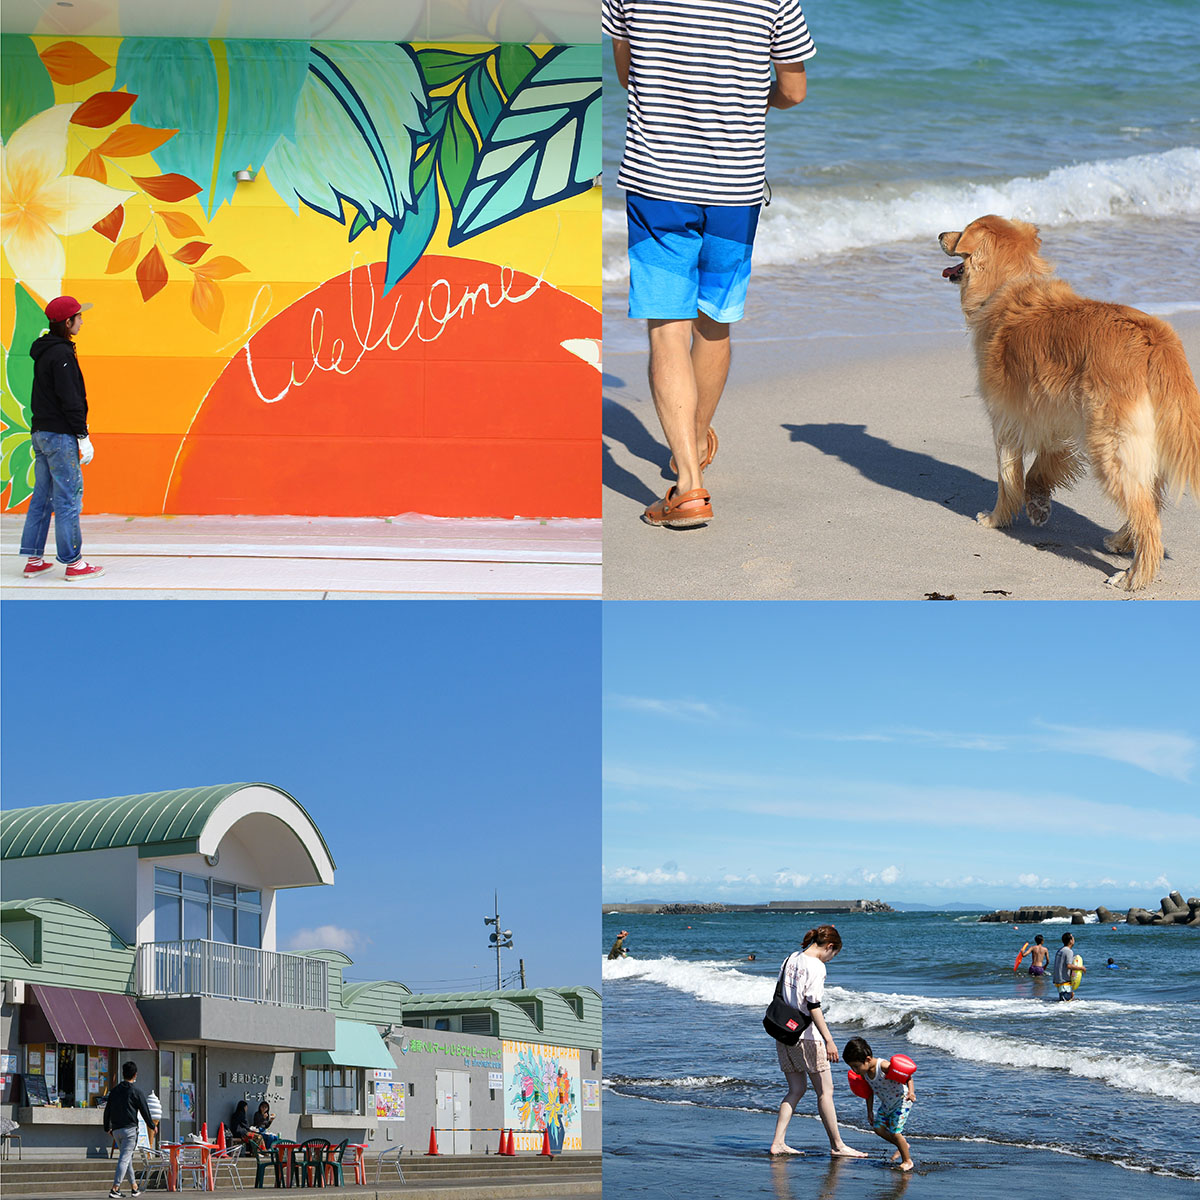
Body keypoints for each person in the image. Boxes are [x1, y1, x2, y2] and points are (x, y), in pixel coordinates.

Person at [603, 0, 815, 528]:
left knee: (668, 330)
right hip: (734, 187)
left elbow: (628, 73)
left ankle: (690, 488)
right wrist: (746, 100)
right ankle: (692, 442)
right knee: (714, 324)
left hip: (658, 183)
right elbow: (793, 90)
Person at [19, 295, 104, 580]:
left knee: (42, 498)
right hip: (59, 436)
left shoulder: (44, 351)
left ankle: (33, 559)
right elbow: (71, 399)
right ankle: (74, 563)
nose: (82, 320)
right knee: (68, 499)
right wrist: (83, 435)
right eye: (79, 317)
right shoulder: (62, 355)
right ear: (67, 323)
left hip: (40, 433)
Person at [768, 925, 865, 1158]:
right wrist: (829, 1039)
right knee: (826, 1092)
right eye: (834, 954)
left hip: (783, 1032)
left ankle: (778, 1142)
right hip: (807, 1036)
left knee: (796, 1089)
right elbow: (813, 1006)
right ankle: (838, 1145)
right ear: (829, 947)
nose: (831, 959)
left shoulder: (791, 958)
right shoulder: (817, 966)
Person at [842, 1037, 916, 1171]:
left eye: (856, 1066)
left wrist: (911, 1092)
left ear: (868, 1059)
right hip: (887, 1104)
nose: (854, 1070)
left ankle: (907, 1161)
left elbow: (908, 1076)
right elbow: (869, 1092)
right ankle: (903, 1145)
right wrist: (869, 1111)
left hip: (901, 1101)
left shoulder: (883, 1067)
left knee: (895, 1132)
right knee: (878, 1128)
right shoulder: (864, 1073)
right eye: (851, 1067)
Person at [103, 1061, 155, 1198]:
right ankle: (115, 1188)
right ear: (135, 1074)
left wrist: (107, 1127)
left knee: (126, 1159)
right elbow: (145, 1110)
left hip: (116, 1130)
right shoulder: (136, 1092)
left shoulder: (114, 1091)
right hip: (130, 1131)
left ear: (123, 1073)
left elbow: (107, 1110)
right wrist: (152, 1126)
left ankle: (134, 1187)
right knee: (124, 1159)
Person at [1052, 932, 1085, 1001]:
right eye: (1073, 938)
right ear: (1070, 941)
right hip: (1064, 982)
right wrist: (1081, 968)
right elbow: (1069, 965)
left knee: (1065, 1001)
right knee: (1066, 1004)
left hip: (1058, 981)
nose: (1074, 939)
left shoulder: (1060, 950)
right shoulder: (1068, 951)